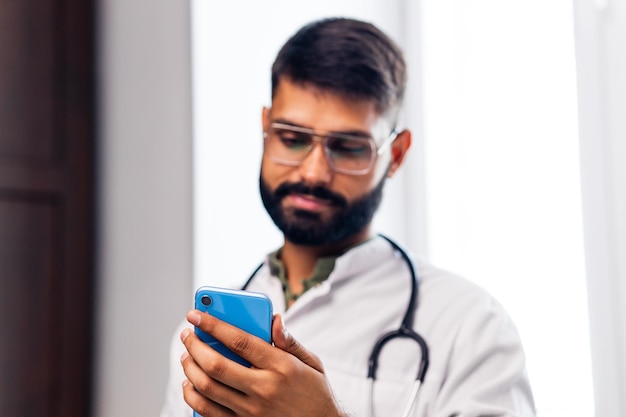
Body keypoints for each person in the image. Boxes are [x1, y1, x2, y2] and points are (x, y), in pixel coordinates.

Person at [160, 17, 536, 417]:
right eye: (292, 137)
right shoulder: (206, 340)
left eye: (348, 147)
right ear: (265, 128)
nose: (313, 172)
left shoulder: (471, 326)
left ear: (396, 155)